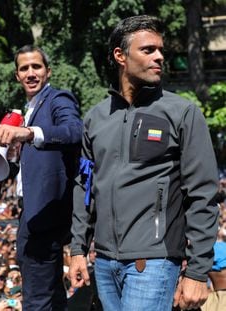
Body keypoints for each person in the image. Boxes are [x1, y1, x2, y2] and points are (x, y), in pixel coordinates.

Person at [68, 15, 219, 311]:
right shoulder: (95, 118)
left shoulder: (183, 113)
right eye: (148, 50)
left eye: (160, 50)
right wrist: (77, 249)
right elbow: (83, 187)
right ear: (120, 56)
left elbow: (202, 194)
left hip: (153, 263)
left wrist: (198, 271)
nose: (159, 56)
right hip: (104, 264)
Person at [0, 45, 82, 310]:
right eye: (24, 68)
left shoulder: (57, 98)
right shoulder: (27, 111)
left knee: (37, 302)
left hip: (46, 216)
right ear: (17, 76)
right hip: (31, 212)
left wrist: (28, 133)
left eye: (36, 67)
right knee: (50, 298)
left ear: (48, 71)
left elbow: (74, 131)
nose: (30, 73)